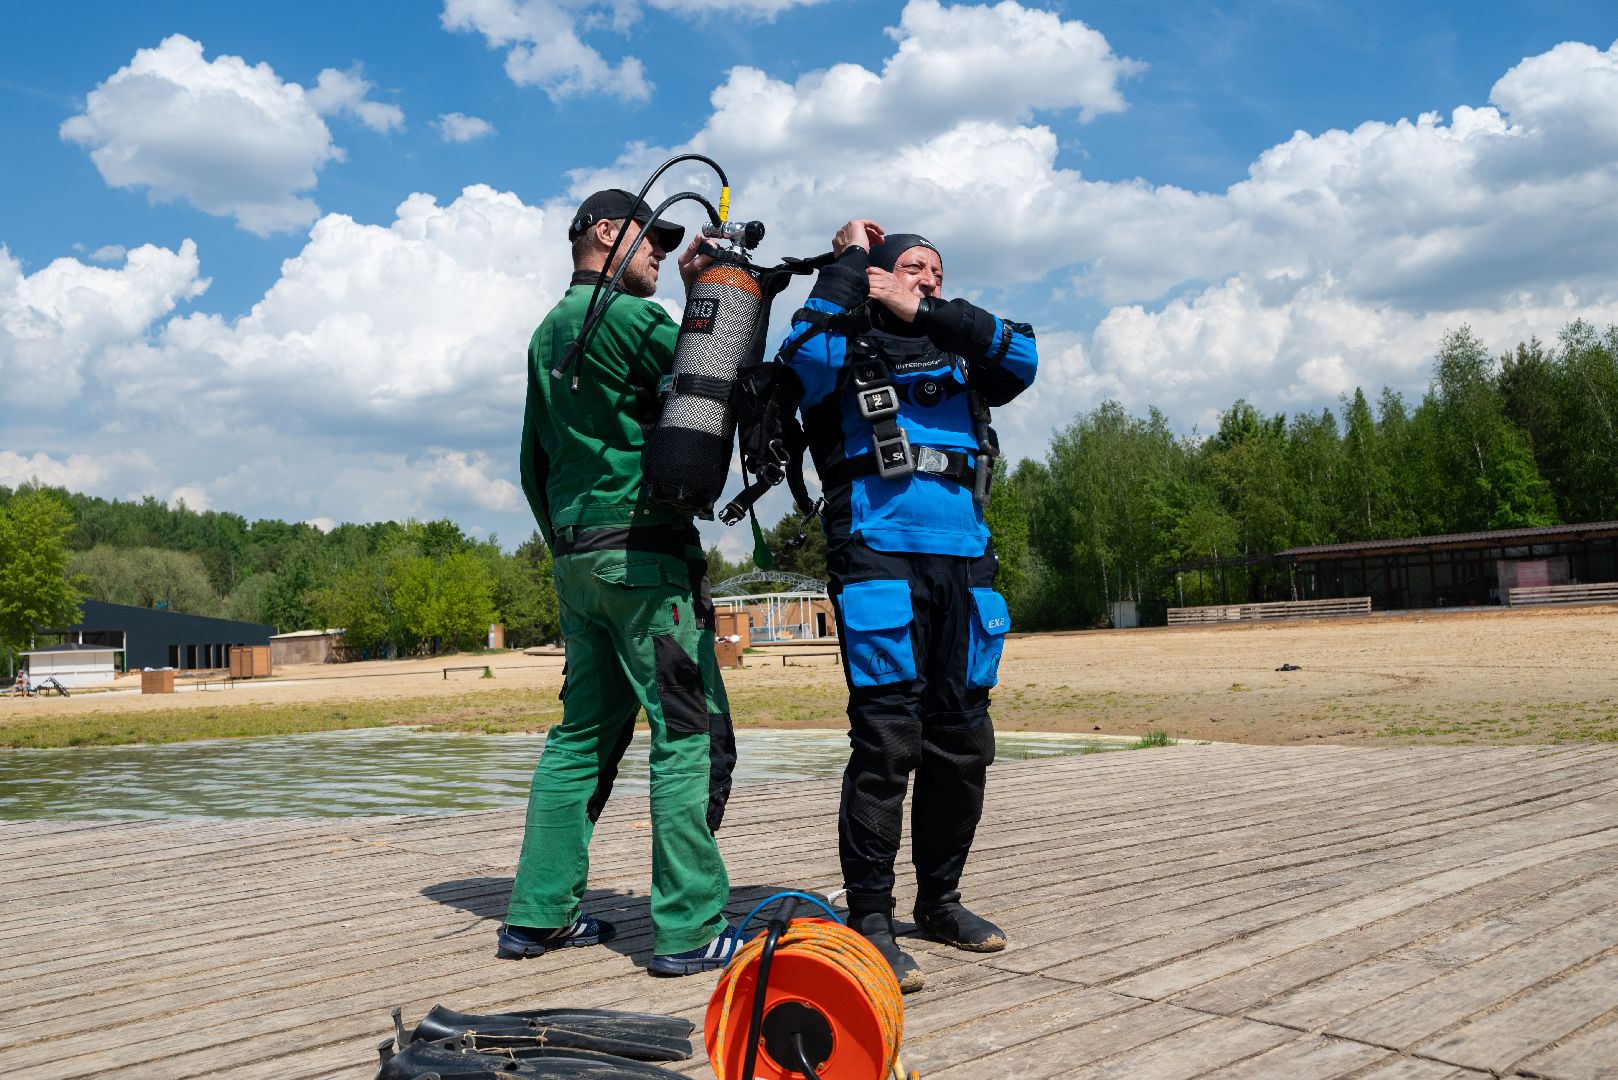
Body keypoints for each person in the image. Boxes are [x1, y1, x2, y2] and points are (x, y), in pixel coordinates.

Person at [779, 219, 1038, 992]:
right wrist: (850, 262)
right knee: (888, 744)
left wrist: (922, 309)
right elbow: (799, 356)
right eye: (913, 267)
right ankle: (870, 920)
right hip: (878, 558)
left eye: (937, 271)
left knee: (963, 743)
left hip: (966, 564)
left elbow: (1023, 358)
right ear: (879, 276)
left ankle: (941, 903)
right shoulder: (842, 344)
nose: (928, 277)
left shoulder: (962, 345)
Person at [499, 189, 738, 977]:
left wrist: (568, 550)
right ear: (605, 232)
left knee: (579, 737)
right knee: (685, 734)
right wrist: (711, 287)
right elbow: (715, 368)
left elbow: (531, 462)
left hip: (576, 561)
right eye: (652, 236)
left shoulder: (547, 331)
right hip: (644, 562)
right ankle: (688, 928)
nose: (662, 250)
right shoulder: (632, 318)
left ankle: (537, 917)